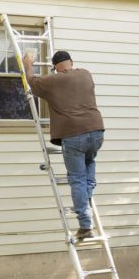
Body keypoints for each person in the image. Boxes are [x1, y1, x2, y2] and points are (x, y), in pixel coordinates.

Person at [22, 50, 105, 242]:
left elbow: (31, 82)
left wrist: (28, 63)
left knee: (76, 180)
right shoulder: (85, 74)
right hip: (96, 131)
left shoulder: (52, 81)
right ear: (71, 62)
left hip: (73, 134)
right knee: (89, 166)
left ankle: (85, 226)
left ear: (55, 68)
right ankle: (86, 200)